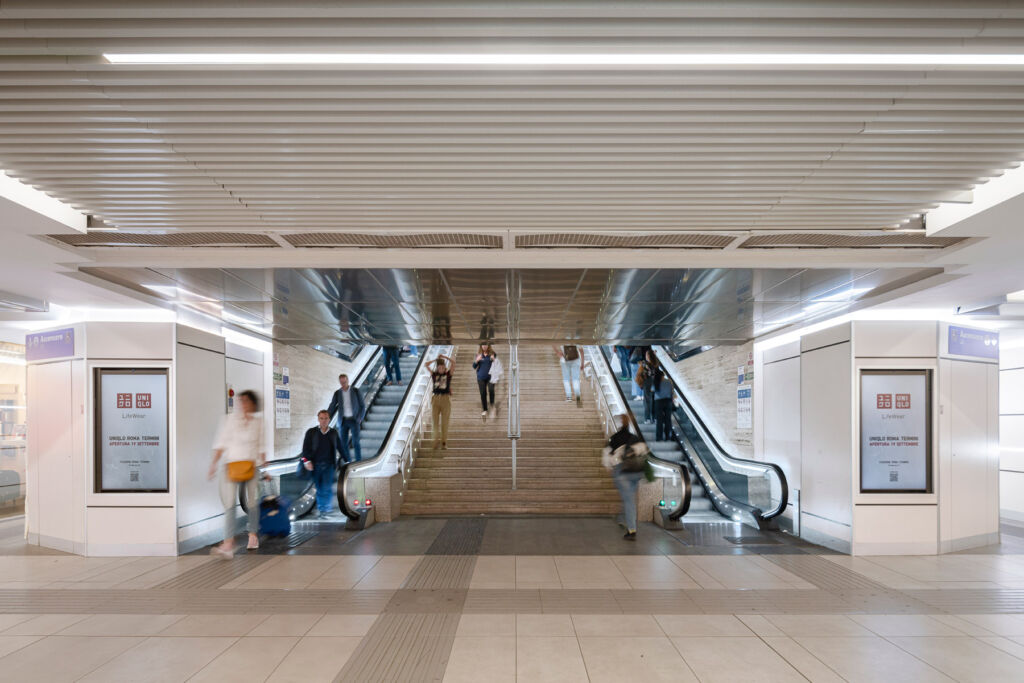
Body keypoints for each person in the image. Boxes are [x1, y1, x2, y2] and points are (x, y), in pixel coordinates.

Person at [208, 389, 267, 558]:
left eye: (246, 401)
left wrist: (264, 468)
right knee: (229, 505)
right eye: (240, 401)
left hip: (252, 466)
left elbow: (261, 446)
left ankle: (253, 535)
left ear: (253, 404)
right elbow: (221, 444)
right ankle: (228, 543)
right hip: (231, 466)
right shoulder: (229, 420)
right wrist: (213, 464)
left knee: (253, 503)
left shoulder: (259, 422)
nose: (242, 404)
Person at [605, 414, 646, 541]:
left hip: (622, 472)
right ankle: (623, 518)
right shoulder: (634, 438)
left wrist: (610, 468)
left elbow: (606, 458)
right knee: (628, 498)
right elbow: (644, 451)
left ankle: (631, 530)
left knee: (628, 500)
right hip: (636, 473)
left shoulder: (614, 438)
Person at [301, 409, 343, 519]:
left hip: (329, 465)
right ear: (318, 419)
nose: (324, 421)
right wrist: (307, 461)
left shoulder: (333, 432)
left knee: (327, 487)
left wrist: (347, 460)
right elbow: (305, 448)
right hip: (315, 465)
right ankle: (321, 508)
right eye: (321, 418)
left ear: (329, 419)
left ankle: (325, 509)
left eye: (326, 418)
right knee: (319, 488)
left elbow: (340, 447)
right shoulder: (311, 432)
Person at [327, 373, 366, 463]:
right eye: (341, 382)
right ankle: (348, 461)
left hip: (354, 420)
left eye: (344, 382)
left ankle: (358, 461)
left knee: (356, 442)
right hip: (343, 421)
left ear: (348, 380)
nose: (343, 384)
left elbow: (362, 406)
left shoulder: (355, 391)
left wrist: (360, 418)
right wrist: (326, 416)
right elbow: (332, 406)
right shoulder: (337, 393)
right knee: (343, 444)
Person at [426, 354, 455, 449]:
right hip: (435, 399)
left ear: (445, 367)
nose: (441, 369)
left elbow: (453, 363)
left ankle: (443, 442)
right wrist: (436, 359)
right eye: (439, 367)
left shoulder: (448, 375)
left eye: (443, 367)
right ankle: (435, 441)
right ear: (437, 368)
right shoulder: (434, 375)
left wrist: (445, 357)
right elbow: (426, 364)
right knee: (434, 422)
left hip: (445, 399)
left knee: (445, 422)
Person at [652, 363, 673, 441]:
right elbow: (671, 391)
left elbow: (652, 390)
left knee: (659, 420)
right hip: (668, 402)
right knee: (668, 419)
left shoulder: (656, 383)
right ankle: (668, 436)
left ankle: (659, 437)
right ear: (663, 376)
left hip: (658, 402)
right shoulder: (668, 382)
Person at [473, 344, 495, 417]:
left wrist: (493, 359)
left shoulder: (492, 354)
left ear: (488, 346)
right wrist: (477, 360)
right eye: (483, 345)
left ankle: (492, 405)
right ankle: (485, 409)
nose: (484, 346)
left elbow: (496, 364)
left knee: (491, 390)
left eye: (486, 345)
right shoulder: (478, 355)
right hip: (481, 377)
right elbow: (474, 366)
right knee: (483, 393)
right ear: (481, 346)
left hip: (490, 377)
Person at [488, 348, 504, 419]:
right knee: (490, 391)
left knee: (492, 391)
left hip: (494, 379)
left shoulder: (497, 361)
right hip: (488, 378)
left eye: (491, 355)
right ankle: (492, 407)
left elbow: (500, 371)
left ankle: (493, 407)